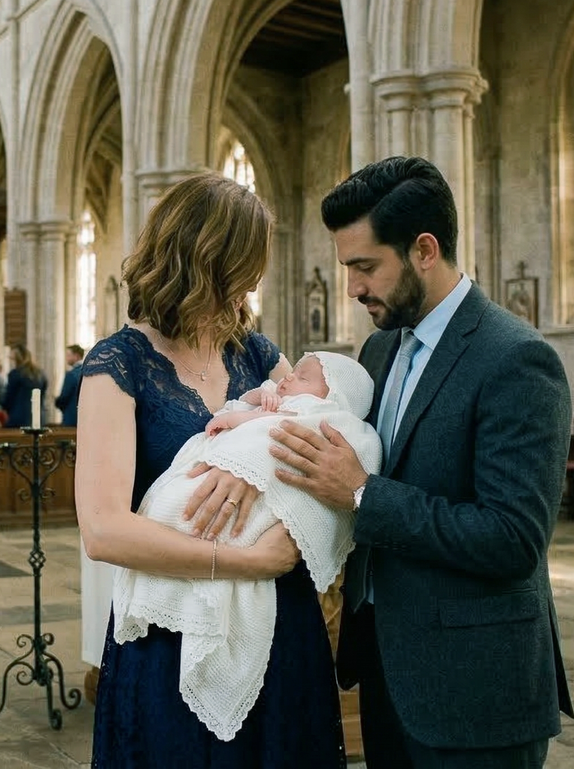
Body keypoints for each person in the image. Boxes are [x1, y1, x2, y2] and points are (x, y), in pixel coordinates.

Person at [266, 156, 574, 768]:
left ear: (425, 250)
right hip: (386, 670)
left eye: (365, 266)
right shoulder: (379, 350)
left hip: (473, 687)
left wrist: (360, 494)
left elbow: (512, 539)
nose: (353, 287)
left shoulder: (516, 360)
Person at [76, 172, 343, 767]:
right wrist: (246, 561)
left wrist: (252, 466)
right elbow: (102, 530)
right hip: (171, 636)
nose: (253, 283)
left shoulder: (255, 352)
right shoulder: (118, 364)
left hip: (279, 625)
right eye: (244, 267)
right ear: (201, 262)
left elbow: (320, 432)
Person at [113, 351, 382, 741]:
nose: (289, 380)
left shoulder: (311, 408)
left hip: (275, 589)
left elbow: (293, 443)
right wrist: (250, 421)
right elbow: (250, 409)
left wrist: (252, 464)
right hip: (183, 563)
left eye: (303, 377)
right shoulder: (124, 357)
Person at [0, 343, 48, 428]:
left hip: (19, 417)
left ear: (16, 359)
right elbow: (43, 394)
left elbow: (9, 397)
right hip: (38, 416)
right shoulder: (40, 373)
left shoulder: (15, 374)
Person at [55, 344, 86, 427]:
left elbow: (64, 397)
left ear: (76, 356)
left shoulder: (71, 374)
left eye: (68, 355)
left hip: (71, 417)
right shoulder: (87, 372)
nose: (66, 358)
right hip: (84, 417)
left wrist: (56, 401)